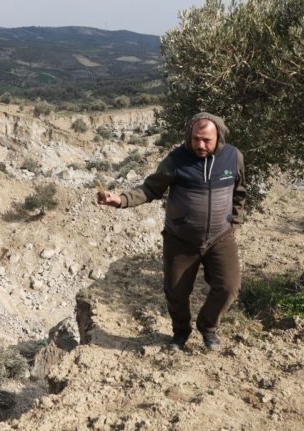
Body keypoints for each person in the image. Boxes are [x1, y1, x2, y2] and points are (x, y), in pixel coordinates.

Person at [98, 112, 246, 351]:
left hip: (221, 237)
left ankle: (207, 327)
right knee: (176, 291)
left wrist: (235, 222)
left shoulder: (233, 157)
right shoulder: (176, 160)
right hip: (181, 240)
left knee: (229, 287)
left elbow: (239, 192)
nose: (200, 145)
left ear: (218, 137)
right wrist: (121, 199)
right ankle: (180, 332)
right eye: (196, 138)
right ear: (190, 135)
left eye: (206, 140)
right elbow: (150, 189)